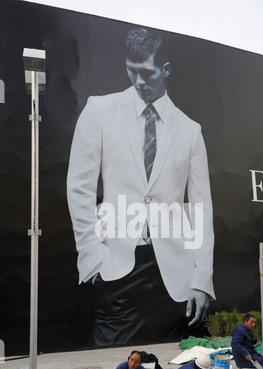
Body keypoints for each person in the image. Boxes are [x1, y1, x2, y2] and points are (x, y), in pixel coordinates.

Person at [67, 27, 215, 347]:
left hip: (175, 273)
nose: (138, 82)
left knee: (176, 363)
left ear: (166, 69)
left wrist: (202, 279)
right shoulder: (98, 110)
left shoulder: (190, 131)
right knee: (113, 368)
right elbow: (79, 186)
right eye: (131, 71)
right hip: (117, 264)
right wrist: (91, 256)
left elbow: (201, 210)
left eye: (146, 73)